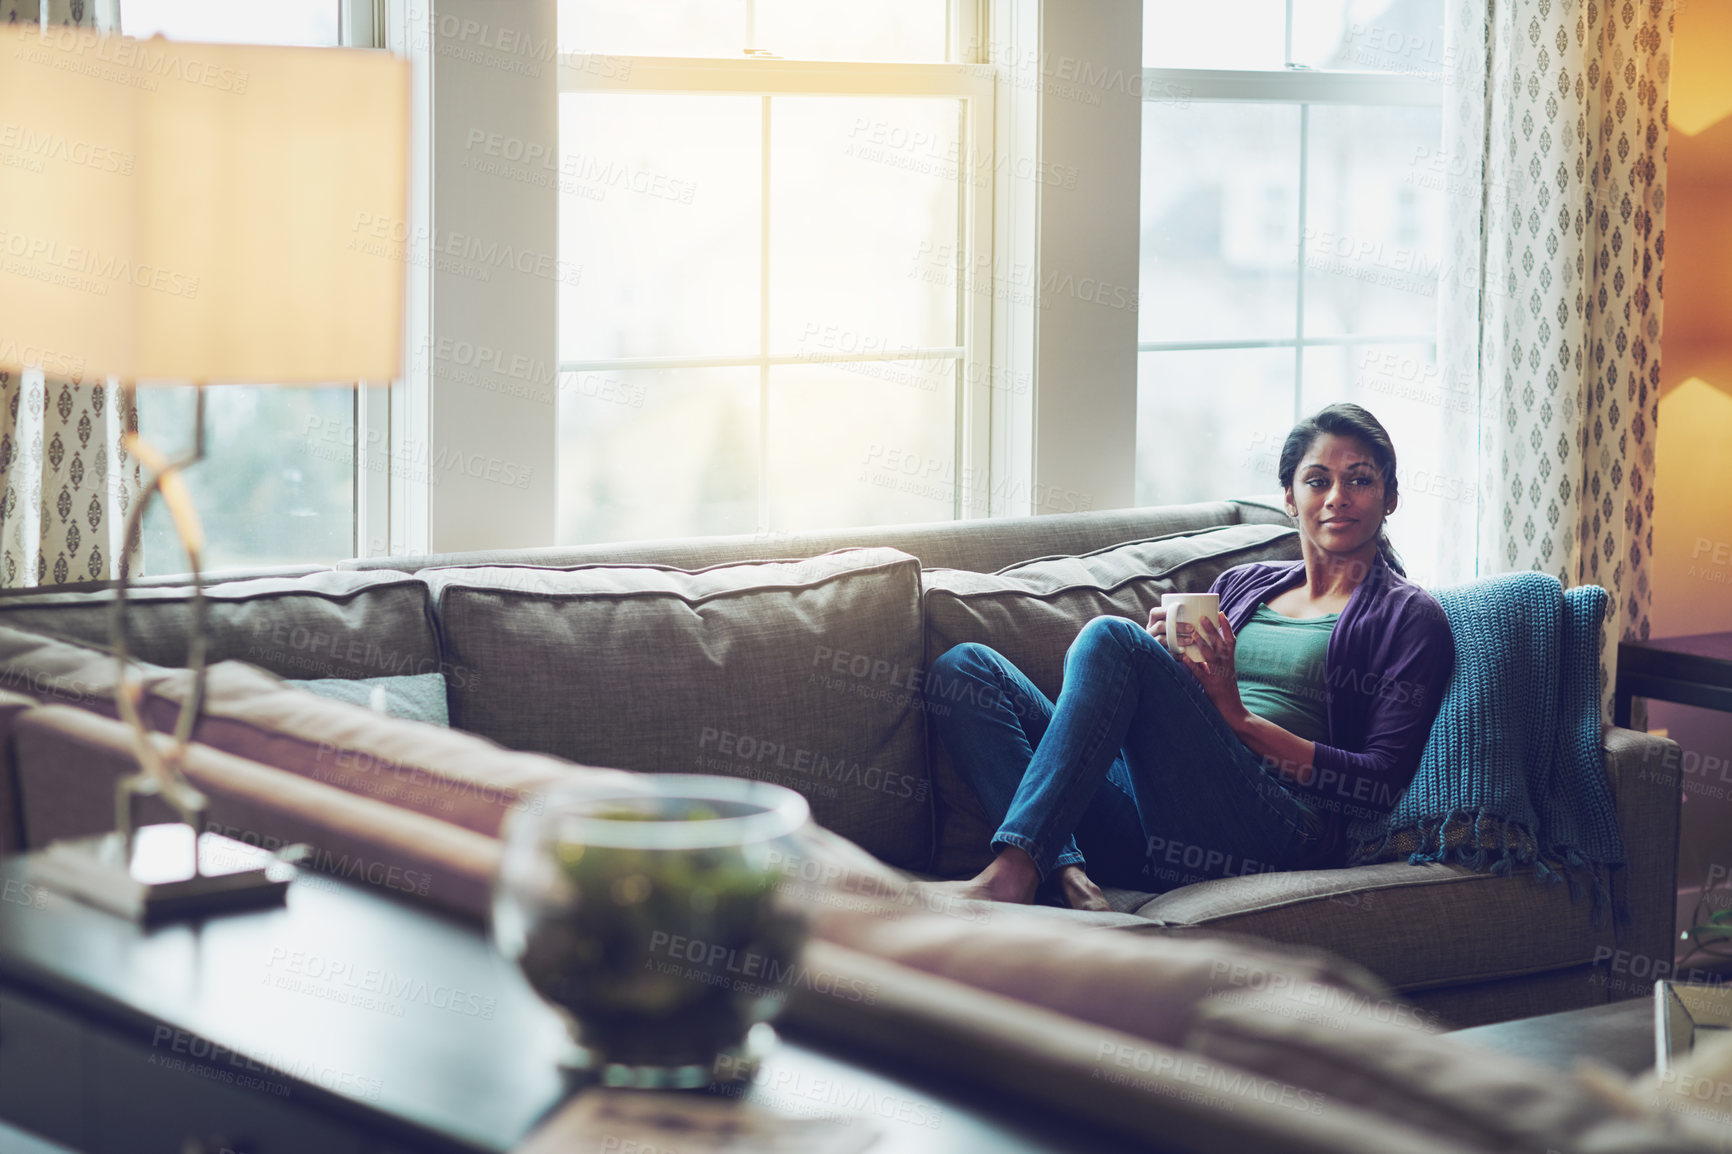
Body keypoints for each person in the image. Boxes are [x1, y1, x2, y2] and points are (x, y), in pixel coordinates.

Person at [924, 403, 1454, 911]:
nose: (1337, 496)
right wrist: (1165, 669)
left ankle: (1014, 872)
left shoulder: (1408, 617)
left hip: (1279, 825)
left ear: (1390, 498)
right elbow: (1188, 722)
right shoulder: (1243, 584)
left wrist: (1236, 719)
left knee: (1111, 637)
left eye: (1360, 480)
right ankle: (1066, 871)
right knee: (965, 670)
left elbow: (1377, 784)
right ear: (1290, 497)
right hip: (1161, 819)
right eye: (1318, 480)